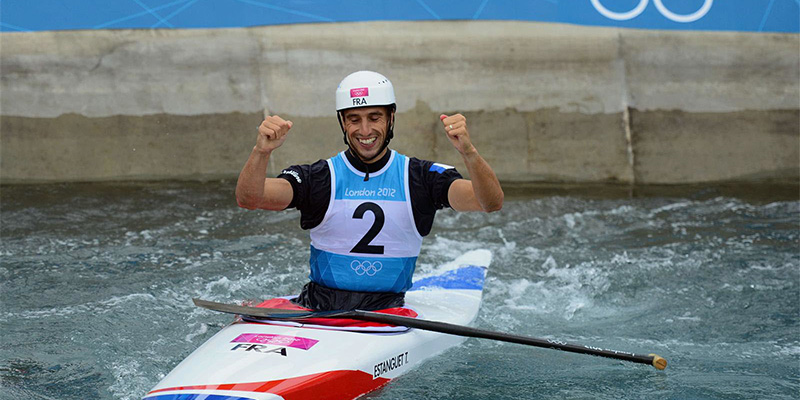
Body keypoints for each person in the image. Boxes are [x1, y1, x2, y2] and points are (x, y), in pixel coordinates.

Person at [236, 71, 503, 311]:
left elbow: (489, 202)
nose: (365, 130)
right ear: (342, 122)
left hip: (388, 311)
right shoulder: (318, 177)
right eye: (354, 120)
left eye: (375, 118)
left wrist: (468, 152)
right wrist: (262, 151)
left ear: (391, 118)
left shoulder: (421, 177)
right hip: (317, 306)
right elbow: (250, 199)